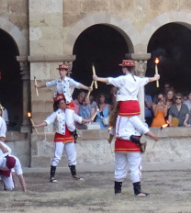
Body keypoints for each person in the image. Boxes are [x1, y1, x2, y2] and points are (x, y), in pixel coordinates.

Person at [94, 58, 161, 197]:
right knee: (135, 167)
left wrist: (97, 78)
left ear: (125, 69)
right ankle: (137, 191)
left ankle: (117, 191)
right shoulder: (137, 80)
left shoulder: (118, 116)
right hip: (132, 128)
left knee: (120, 166)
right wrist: (156, 77)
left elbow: (109, 80)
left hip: (120, 139)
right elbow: (148, 80)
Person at [33, 94, 95, 182]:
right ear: (58, 105)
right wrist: (37, 125)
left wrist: (88, 120)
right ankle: (52, 176)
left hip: (69, 136)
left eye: (64, 103)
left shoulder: (69, 112)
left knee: (72, 155)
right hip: (60, 137)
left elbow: (78, 118)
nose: (64, 105)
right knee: (57, 156)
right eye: (61, 103)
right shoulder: (56, 113)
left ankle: (75, 175)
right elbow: (47, 121)